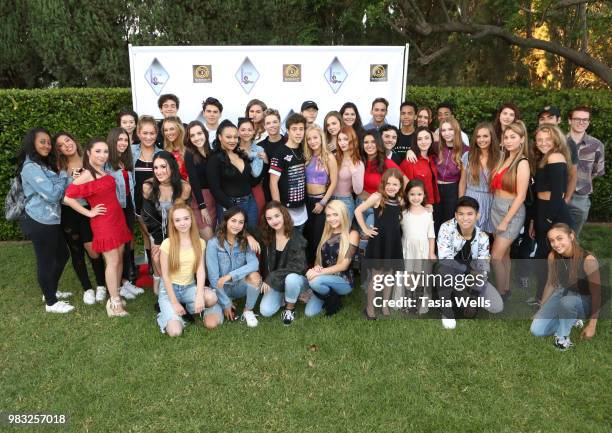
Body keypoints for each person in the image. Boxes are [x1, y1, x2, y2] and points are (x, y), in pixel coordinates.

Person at [63, 138, 133, 317]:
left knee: (119, 259)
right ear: (88, 153)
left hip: (116, 219)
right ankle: (115, 305)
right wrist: (89, 213)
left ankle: (114, 295)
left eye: (105, 152)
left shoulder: (103, 171)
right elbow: (68, 197)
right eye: (98, 151)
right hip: (104, 223)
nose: (103, 155)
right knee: (112, 261)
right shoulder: (86, 175)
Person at [18, 128, 72, 313]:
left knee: (62, 255)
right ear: (32, 143)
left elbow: (58, 190)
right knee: (46, 260)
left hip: (52, 219)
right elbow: (52, 194)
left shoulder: (42, 165)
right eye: (42, 142)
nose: (47, 145)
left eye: (49, 142)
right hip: (40, 219)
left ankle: (50, 290)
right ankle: (51, 302)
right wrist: (64, 174)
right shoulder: (30, 168)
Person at [54, 131, 106, 305]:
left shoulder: (89, 158)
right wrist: (70, 180)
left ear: (73, 140)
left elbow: (102, 181)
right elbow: (57, 194)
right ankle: (87, 288)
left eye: (67, 140)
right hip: (68, 213)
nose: (66, 145)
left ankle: (101, 285)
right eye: (60, 145)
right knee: (76, 251)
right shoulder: (58, 166)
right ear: (58, 150)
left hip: (89, 209)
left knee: (93, 249)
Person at [530, 223, 600, 350]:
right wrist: (541, 309)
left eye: (560, 238)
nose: (556, 244)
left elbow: (597, 294)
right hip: (563, 292)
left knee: (567, 303)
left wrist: (592, 325)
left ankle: (562, 338)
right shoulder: (552, 256)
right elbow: (551, 284)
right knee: (537, 330)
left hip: (584, 299)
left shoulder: (588, 260)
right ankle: (571, 319)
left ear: (571, 236)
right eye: (552, 240)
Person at [436, 196, 503, 329]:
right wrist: (468, 271)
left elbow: (483, 266)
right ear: (455, 215)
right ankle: (446, 310)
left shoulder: (482, 237)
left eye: (470, 214)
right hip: (451, 272)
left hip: (471, 277)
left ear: (477, 215)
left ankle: (463, 297)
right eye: (460, 214)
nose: (465, 218)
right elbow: (445, 259)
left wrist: (473, 297)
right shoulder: (446, 228)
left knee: (496, 306)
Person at [158, 203, 221, 335]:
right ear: (173, 223)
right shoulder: (167, 244)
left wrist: (199, 296)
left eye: (186, 218)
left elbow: (200, 271)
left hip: (188, 287)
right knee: (175, 332)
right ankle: (166, 312)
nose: (182, 223)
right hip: (169, 289)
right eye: (178, 220)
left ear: (191, 219)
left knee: (211, 298)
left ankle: (189, 307)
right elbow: (165, 276)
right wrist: (174, 302)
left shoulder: (200, 242)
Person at [529, 124, 574, 303]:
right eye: (539, 139)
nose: (543, 143)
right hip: (542, 210)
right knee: (542, 257)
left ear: (556, 140)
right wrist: (535, 220)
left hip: (555, 215)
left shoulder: (556, 157)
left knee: (558, 261)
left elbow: (558, 193)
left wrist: (547, 220)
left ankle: (568, 301)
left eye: (547, 139)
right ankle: (541, 296)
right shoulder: (544, 158)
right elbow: (538, 195)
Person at [355, 168, 405, 319]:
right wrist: (365, 229)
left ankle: (384, 305)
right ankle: (369, 307)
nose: (391, 187)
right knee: (376, 276)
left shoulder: (400, 200)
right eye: (388, 184)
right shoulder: (377, 198)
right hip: (379, 242)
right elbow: (358, 211)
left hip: (393, 242)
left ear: (400, 186)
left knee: (389, 275)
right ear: (383, 184)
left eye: (395, 184)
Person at [141, 151, 192, 294]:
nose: (159, 171)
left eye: (163, 167)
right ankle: (160, 281)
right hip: (156, 230)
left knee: (173, 256)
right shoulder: (148, 186)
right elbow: (148, 216)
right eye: (156, 168)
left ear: (172, 167)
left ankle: (177, 286)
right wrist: (158, 241)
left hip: (177, 229)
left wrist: (169, 243)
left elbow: (177, 217)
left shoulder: (184, 187)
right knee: (157, 256)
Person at [490, 121, 530, 297]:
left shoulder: (522, 162)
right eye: (506, 137)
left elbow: (521, 196)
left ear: (522, 139)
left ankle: (498, 296)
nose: (508, 141)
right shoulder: (504, 158)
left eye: (513, 137)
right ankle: (505, 289)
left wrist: (506, 221)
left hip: (510, 212)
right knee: (504, 254)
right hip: (496, 208)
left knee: (495, 257)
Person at [206, 207, 262, 328]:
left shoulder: (245, 241)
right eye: (233, 220)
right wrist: (225, 303)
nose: (236, 225)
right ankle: (227, 302)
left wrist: (230, 276)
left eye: (240, 222)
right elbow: (214, 278)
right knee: (211, 324)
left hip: (239, 286)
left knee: (255, 276)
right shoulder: (213, 244)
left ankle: (248, 310)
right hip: (220, 288)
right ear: (226, 221)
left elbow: (254, 264)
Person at [105, 127, 144, 299]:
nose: (122, 143)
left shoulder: (127, 161)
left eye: (125, 140)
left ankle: (126, 281)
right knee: (116, 249)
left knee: (127, 245)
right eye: (119, 140)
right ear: (112, 141)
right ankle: (117, 285)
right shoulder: (106, 162)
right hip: (115, 209)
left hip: (128, 206)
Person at [304, 200, 360, 317]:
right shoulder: (326, 232)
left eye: (335, 214)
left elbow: (344, 265)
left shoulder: (352, 234)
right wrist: (317, 267)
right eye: (328, 215)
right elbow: (318, 259)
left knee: (315, 281)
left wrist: (318, 273)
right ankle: (332, 297)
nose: (331, 219)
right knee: (309, 313)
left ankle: (332, 300)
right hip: (325, 277)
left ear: (343, 214)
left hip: (343, 281)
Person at [258, 201, 309, 325]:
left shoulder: (296, 237)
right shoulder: (266, 235)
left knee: (291, 279)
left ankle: (289, 308)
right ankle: (286, 296)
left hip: (295, 279)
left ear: (284, 215)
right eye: (269, 218)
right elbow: (245, 229)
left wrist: (271, 277)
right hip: (277, 283)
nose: (274, 221)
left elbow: (298, 267)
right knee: (265, 311)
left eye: (277, 216)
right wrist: (249, 237)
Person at [207, 120, 259, 229]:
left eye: (235, 137)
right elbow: (215, 189)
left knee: (251, 238)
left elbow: (251, 182)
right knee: (232, 242)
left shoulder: (241, 154)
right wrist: (234, 209)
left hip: (250, 204)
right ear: (220, 137)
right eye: (228, 137)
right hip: (228, 207)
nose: (233, 140)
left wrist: (266, 164)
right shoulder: (214, 159)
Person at [566, 105, 605, 236]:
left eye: (585, 119)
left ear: (588, 122)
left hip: (580, 198)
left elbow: (597, 171)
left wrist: (582, 180)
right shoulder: (559, 142)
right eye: (577, 119)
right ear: (569, 121)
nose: (581, 122)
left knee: (573, 237)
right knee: (553, 235)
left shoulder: (597, 145)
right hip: (558, 195)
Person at [303, 125, 338, 265]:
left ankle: (320, 267)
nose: (312, 141)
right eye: (309, 139)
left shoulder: (329, 157)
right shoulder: (307, 156)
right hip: (307, 201)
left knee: (319, 238)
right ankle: (310, 268)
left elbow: (334, 182)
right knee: (308, 237)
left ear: (321, 138)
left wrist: (323, 203)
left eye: (315, 137)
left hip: (321, 201)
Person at [400, 179, 436, 313]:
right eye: (412, 194)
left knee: (420, 275)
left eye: (419, 194)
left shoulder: (428, 213)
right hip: (408, 248)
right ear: (407, 195)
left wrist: (431, 252)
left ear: (424, 195)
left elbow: (431, 235)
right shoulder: (403, 212)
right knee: (409, 275)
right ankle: (409, 302)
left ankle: (418, 302)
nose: (416, 198)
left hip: (423, 249)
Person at [458, 123, 500, 234]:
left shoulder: (501, 157)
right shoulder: (468, 156)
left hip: (492, 201)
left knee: (488, 237)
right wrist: (461, 203)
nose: (481, 139)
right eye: (478, 136)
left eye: (485, 136)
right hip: (471, 199)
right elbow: (462, 182)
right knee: (470, 236)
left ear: (492, 137)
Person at [269, 113, 308, 230]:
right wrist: (278, 210)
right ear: (287, 130)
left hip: (302, 210)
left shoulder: (304, 149)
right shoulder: (280, 152)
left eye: (301, 129)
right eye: (294, 129)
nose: (298, 132)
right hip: (286, 211)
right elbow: (273, 182)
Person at [132, 115, 160, 274]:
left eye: (152, 133)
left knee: (155, 235)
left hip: (157, 203)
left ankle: (157, 269)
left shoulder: (161, 153)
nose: (148, 137)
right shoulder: (131, 152)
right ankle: (152, 266)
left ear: (156, 134)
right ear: (138, 133)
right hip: (138, 203)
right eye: (145, 133)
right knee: (147, 234)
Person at [434, 117, 469, 234]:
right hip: (435, 189)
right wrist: (410, 151)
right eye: (443, 130)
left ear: (456, 130)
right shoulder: (435, 146)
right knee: (434, 223)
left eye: (450, 129)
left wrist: (461, 200)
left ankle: (446, 251)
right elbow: (418, 147)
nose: (447, 133)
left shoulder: (466, 150)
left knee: (449, 224)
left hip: (453, 190)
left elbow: (464, 180)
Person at [184, 120, 216, 240]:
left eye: (199, 133)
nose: (197, 138)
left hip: (215, 199)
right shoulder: (189, 154)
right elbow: (194, 181)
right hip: (199, 199)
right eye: (192, 135)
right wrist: (202, 207)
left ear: (205, 134)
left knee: (215, 240)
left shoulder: (212, 152)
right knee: (208, 238)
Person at [399, 127, 439, 210]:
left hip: (432, 204)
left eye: (427, 138)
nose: (423, 142)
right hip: (417, 206)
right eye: (419, 139)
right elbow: (405, 188)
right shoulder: (410, 161)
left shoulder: (433, 157)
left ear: (431, 140)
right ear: (415, 142)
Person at [332, 126, 364, 222]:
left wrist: (353, 171)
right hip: (330, 200)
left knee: (343, 235)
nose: (342, 142)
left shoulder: (358, 163)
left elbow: (358, 191)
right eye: (339, 139)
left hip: (345, 202)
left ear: (352, 140)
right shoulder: (333, 157)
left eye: (346, 139)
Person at [259, 108, 287, 202]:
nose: (272, 125)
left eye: (275, 122)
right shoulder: (260, 147)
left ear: (280, 122)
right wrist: (266, 163)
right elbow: (258, 176)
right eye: (268, 123)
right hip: (269, 194)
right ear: (264, 126)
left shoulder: (289, 143)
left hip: (289, 193)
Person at [161, 116, 188, 180]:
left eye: (172, 129)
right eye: (166, 130)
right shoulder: (165, 152)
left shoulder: (189, 150)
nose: (168, 133)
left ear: (179, 129)